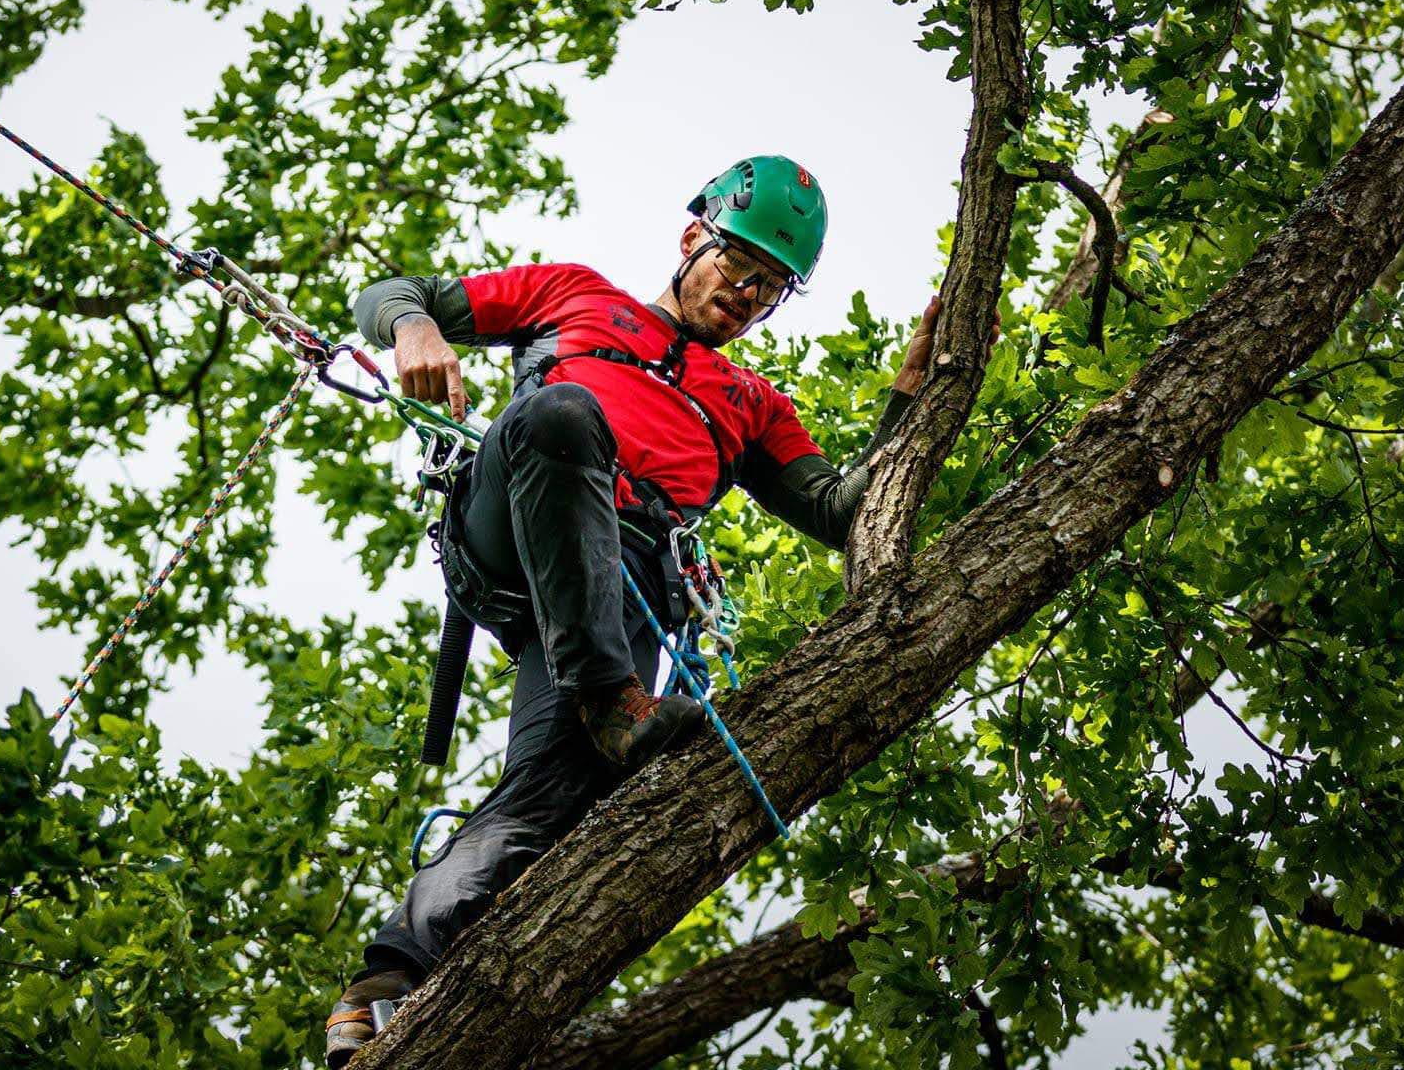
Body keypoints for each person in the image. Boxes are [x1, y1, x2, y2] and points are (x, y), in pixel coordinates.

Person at [324, 156, 955, 1066]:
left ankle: (383, 989)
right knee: (565, 414)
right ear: (693, 235)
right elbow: (394, 290)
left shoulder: (750, 404)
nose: (745, 294)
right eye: (736, 266)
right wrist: (415, 330)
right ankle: (609, 697)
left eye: (770, 288)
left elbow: (845, 511)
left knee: (554, 792)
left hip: (624, 590)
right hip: (520, 513)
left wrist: (912, 397)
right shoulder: (575, 296)